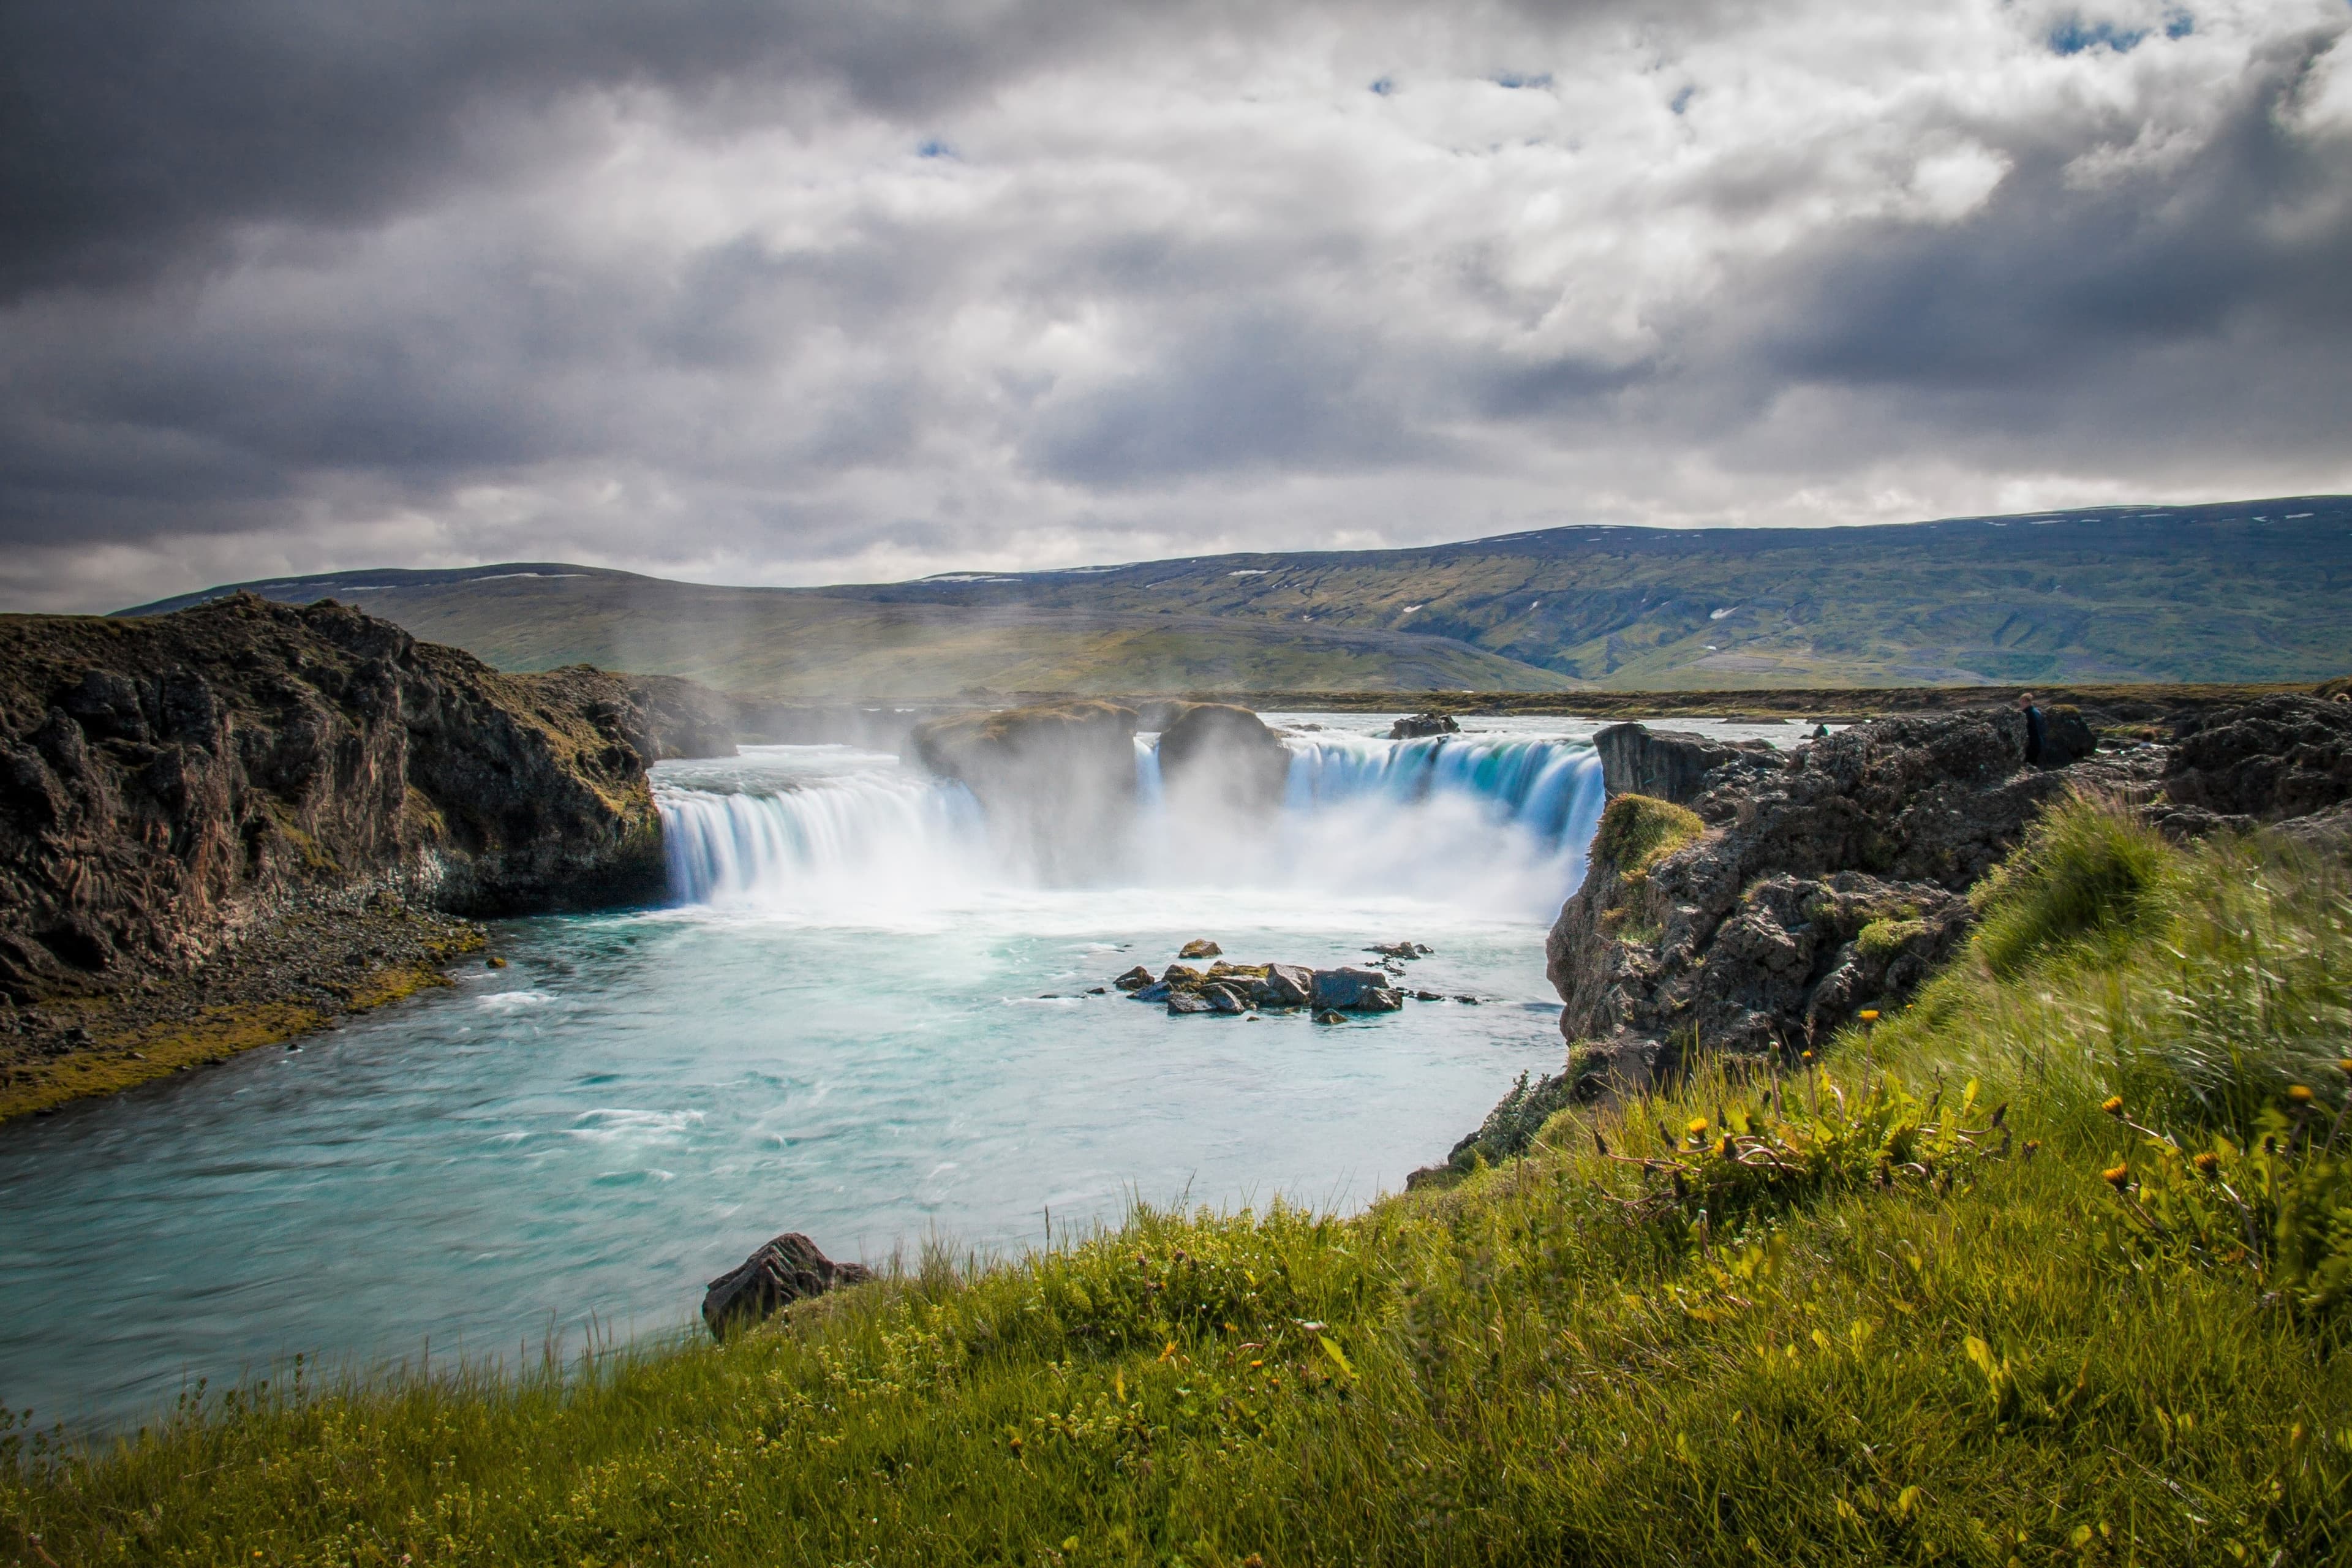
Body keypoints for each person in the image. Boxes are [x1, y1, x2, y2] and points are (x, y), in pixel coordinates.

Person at [2016, 691, 2046, 766]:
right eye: (2021, 702)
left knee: (2030, 765)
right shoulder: (2037, 712)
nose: (2021, 704)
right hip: (2039, 742)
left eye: (2023, 702)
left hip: (2031, 744)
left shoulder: (2028, 714)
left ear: (2028, 702)